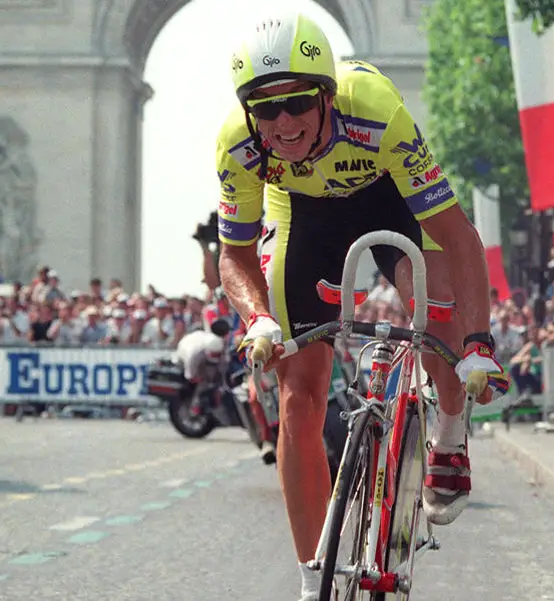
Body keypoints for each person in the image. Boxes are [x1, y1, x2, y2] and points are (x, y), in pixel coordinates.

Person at [215, 11, 508, 600]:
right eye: (266, 110)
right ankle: (311, 579)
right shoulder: (239, 145)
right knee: (299, 392)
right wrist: (260, 319)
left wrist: (477, 344)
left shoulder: (374, 108)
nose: (284, 123)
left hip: (389, 196)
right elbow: (235, 256)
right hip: (303, 215)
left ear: (326, 93)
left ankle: (449, 434)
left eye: (297, 102)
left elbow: (458, 237)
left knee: (441, 328)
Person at [174, 319, 232, 415]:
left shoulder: (220, 343)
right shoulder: (195, 352)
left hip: (201, 352)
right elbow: (190, 371)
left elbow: (224, 362)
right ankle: (195, 405)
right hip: (185, 351)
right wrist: (193, 377)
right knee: (200, 381)